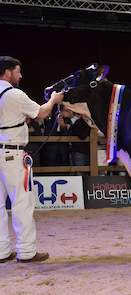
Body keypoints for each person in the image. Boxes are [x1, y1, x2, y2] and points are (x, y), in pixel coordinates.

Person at [0, 56, 64, 263]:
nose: (20, 75)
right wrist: (54, 100)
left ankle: (1, 251)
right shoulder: (14, 94)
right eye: (18, 71)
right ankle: (26, 251)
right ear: (8, 72)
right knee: (21, 203)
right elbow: (41, 113)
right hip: (12, 154)